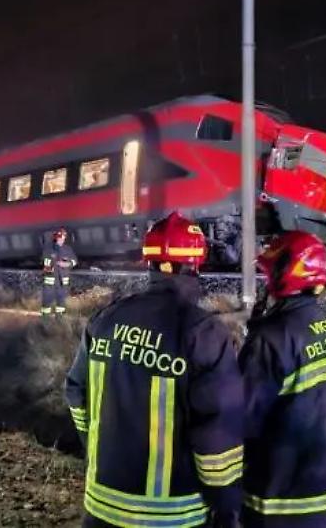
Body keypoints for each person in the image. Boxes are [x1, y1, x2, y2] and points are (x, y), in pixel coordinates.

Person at [65, 211, 244, 528]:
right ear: (195, 264)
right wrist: (226, 506)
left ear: (147, 263)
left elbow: (76, 393)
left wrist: (94, 446)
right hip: (174, 514)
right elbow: (217, 435)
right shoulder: (202, 332)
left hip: (102, 506)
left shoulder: (106, 319)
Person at [239, 231, 326, 528]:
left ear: (282, 276)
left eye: (268, 275)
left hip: (287, 508)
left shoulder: (271, 339)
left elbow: (241, 420)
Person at [41, 227, 77, 317]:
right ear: (56, 237)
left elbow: (75, 261)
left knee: (61, 303)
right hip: (50, 281)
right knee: (47, 302)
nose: (61, 239)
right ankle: (45, 320)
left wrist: (68, 264)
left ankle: (60, 320)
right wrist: (53, 263)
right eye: (60, 237)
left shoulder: (68, 249)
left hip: (62, 282)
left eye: (63, 237)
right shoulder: (48, 249)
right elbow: (45, 262)